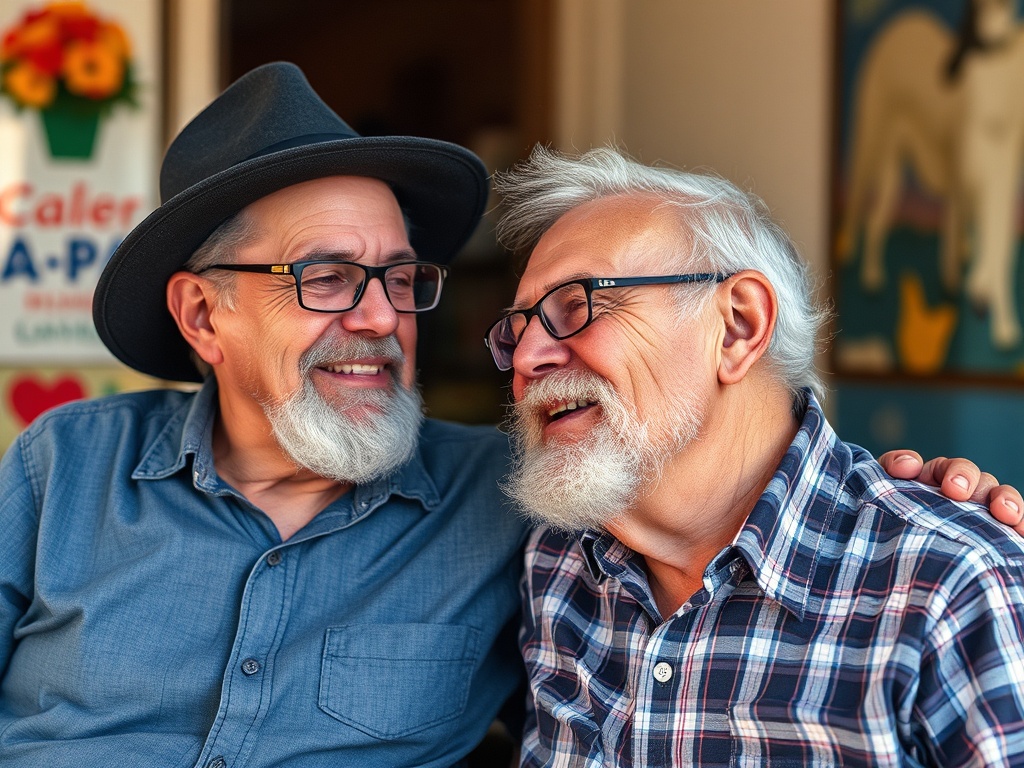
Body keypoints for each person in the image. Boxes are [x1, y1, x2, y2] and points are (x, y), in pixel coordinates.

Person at [0, 62, 1013, 768]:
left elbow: (734, 483)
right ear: (200, 313)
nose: (379, 318)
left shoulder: (520, 515)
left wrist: (937, 507)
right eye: (325, 277)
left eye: (399, 279)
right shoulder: (62, 468)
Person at [485, 146, 1024, 766]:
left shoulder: (951, 585)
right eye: (517, 329)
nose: (527, 360)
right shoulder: (553, 565)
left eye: (576, 305)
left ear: (739, 325)